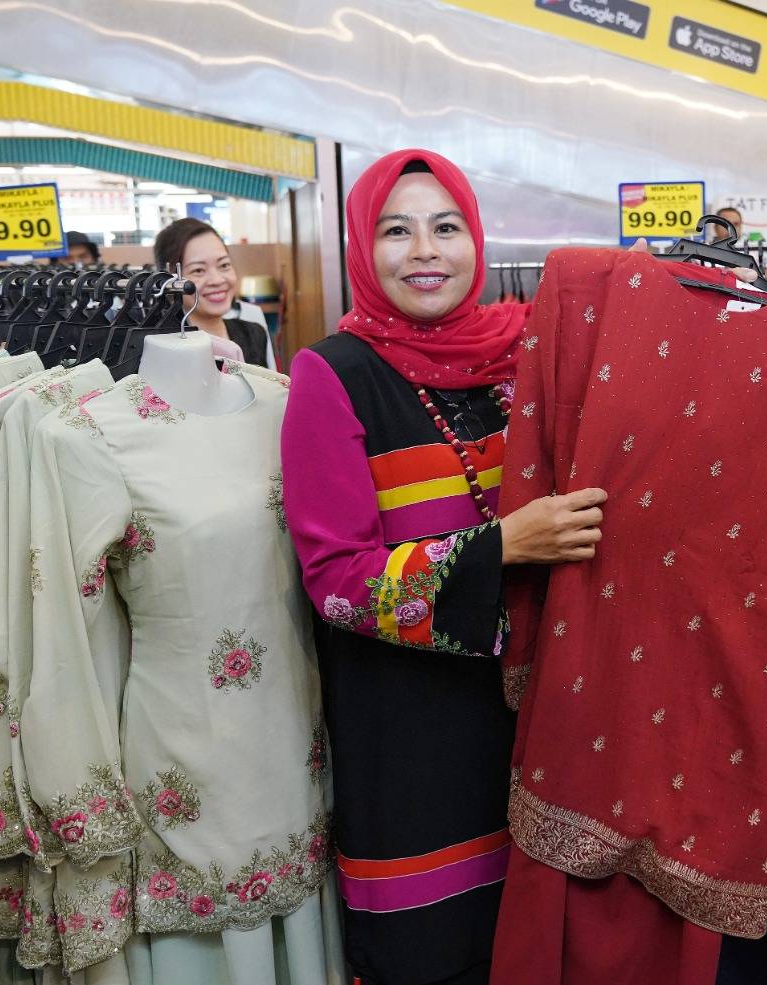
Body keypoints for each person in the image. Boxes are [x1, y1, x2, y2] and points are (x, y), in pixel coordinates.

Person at [278, 149, 606, 985]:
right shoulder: (333, 374)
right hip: (412, 735)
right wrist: (500, 547)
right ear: (362, 248)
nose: (425, 250)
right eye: (397, 231)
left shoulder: (528, 354)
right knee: (434, 957)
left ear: (477, 240)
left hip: (541, 726)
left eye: (446, 227)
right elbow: (337, 580)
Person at [151, 217, 276, 368]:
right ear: (168, 280)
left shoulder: (254, 333)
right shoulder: (162, 349)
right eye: (198, 270)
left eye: (224, 265)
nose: (217, 280)